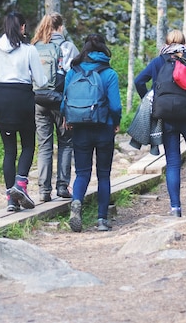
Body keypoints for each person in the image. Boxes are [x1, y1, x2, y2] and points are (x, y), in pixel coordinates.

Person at [134, 29, 186, 217]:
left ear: (166, 43)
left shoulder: (158, 62)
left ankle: (174, 208)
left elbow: (139, 81)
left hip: (167, 118)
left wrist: (150, 99)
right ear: (184, 42)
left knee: (172, 162)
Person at [0, 11, 46, 212]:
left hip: (0, 102)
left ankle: (11, 200)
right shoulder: (29, 50)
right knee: (27, 145)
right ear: (22, 28)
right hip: (22, 102)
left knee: (9, 150)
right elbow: (41, 82)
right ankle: (21, 185)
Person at [63, 34, 122, 232]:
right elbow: (115, 105)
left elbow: (65, 101)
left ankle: (77, 202)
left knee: (82, 173)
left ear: (84, 49)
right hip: (104, 127)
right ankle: (101, 220)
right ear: (104, 49)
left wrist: (68, 119)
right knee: (103, 174)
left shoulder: (74, 71)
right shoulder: (109, 73)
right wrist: (116, 122)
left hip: (79, 127)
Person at [31, 12, 80, 202]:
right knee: (66, 143)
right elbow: (74, 78)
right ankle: (62, 186)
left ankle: (43, 191)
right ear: (60, 27)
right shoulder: (67, 47)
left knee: (44, 146)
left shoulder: (34, 47)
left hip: (39, 100)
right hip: (60, 101)